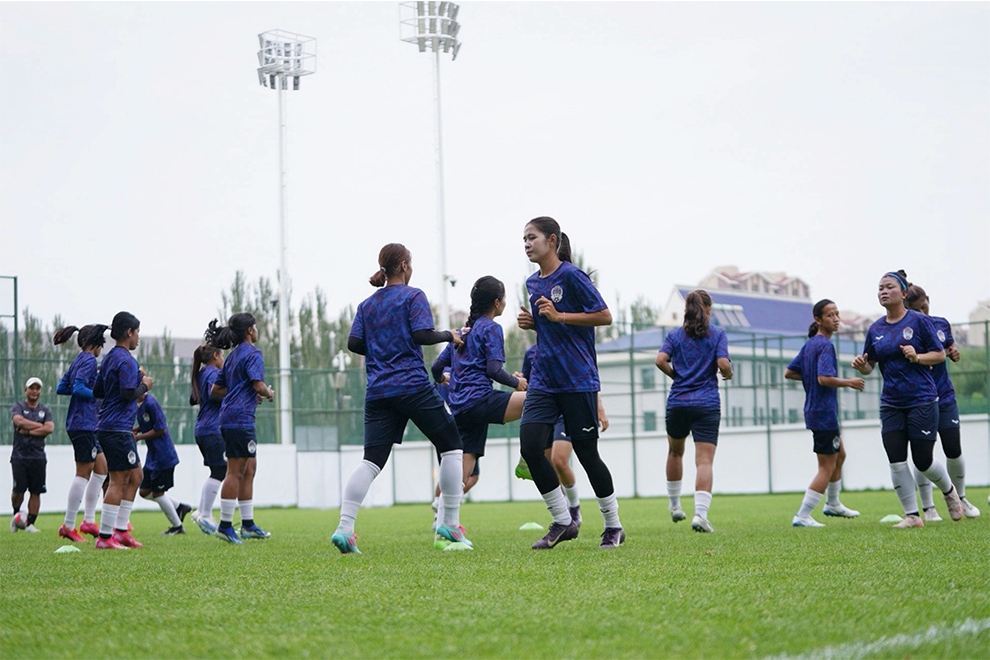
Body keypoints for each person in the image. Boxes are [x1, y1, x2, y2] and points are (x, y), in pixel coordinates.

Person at [332, 243, 469, 554]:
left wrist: (382, 350)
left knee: (371, 461)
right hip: (412, 386)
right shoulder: (413, 296)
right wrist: (450, 335)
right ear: (405, 265)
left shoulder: (367, 305)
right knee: (452, 445)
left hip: (378, 391)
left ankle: (345, 527)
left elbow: (354, 343)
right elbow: (422, 335)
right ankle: (450, 523)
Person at [516, 217, 624, 549]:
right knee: (530, 447)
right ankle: (563, 520)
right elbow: (552, 326)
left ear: (552, 240)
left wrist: (559, 316)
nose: (526, 244)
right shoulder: (532, 283)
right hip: (544, 381)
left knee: (588, 454)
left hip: (577, 380)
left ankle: (613, 525)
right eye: (523, 239)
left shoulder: (573, 276)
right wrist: (534, 323)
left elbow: (604, 316)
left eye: (531, 237)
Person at [851, 270, 963, 528]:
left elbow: (939, 355)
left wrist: (916, 357)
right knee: (896, 458)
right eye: (880, 288)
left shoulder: (919, 322)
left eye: (889, 287)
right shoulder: (875, 328)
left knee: (922, 460)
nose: (883, 291)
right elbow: (870, 366)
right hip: (891, 402)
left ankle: (949, 491)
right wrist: (862, 367)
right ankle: (912, 516)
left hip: (922, 398)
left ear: (903, 293)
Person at [430, 275, 528, 527]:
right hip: (479, 401)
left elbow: (435, 367)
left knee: (464, 468)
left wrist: (443, 378)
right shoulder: (491, 329)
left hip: (460, 407)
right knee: (536, 400)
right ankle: (529, 456)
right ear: (497, 302)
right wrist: (517, 383)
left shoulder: (464, 332)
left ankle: (445, 525)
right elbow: (494, 370)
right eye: (504, 298)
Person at [655, 290, 733, 533]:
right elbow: (722, 364)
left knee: (675, 452)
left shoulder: (675, 336)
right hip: (706, 403)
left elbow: (660, 360)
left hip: (678, 401)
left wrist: (676, 375)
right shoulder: (717, 334)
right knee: (704, 460)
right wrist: (728, 372)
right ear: (708, 309)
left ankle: (675, 506)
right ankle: (700, 514)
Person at [784, 299, 865, 527]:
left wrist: (810, 377)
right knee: (826, 466)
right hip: (823, 413)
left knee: (840, 456)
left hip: (816, 412)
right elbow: (823, 379)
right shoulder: (825, 346)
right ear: (818, 320)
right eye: (830, 315)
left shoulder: (810, 344)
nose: (836, 318)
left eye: (837, 314)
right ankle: (802, 515)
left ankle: (833, 504)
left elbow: (789, 372)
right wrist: (849, 381)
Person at [514, 340, 610, 528]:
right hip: (545, 412)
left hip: (566, 412)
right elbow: (528, 385)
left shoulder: (572, 343)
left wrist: (599, 407)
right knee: (547, 463)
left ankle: (574, 508)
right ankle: (563, 512)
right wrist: (518, 380)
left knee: (559, 459)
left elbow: (587, 373)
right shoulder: (532, 353)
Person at [904, 284, 981, 520]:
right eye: (918, 310)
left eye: (925, 307)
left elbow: (949, 347)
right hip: (920, 397)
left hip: (945, 395)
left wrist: (954, 351)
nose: (923, 313)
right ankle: (928, 507)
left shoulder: (941, 323)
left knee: (953, 449)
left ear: (928, 300)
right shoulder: (906, 329)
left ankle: (962, 498)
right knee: (923, 453)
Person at [205, 313, 275, 544]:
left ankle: (248, 524)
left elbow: (216, 389)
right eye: (255, 327)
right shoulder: (253, 354)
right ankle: (225, 526)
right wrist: (268, 392)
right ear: (249, 331)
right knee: (235, 471)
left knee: (249, 468)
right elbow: (258, 384)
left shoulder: (233, 356)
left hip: (230, 417)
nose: (256, 330)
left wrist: (241, 394)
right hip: (240, 420)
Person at [92, 311, 153, 549]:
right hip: (115, 428)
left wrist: (131, 384)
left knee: (136, 476)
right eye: (137, 332)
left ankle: (120, 530)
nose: (138, 338)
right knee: (118, 480)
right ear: (129, 332)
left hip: (114, 427)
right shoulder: (126, 359)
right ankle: (105, 538)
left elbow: (99, 391)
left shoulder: (109, 358)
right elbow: (129, 393)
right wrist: (143, 385)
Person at [53, 324, 110, 542]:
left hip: (85, 423)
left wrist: (84, 391)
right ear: (96, 345)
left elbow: (62, 387)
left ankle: (88, 520)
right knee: (83, 473)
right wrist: (97, 394)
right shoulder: (88, 360)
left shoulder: (77, 360)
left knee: (102, 468)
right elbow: (77, 387)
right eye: (100, 347)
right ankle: (68, 525)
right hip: (83, 423)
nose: (100, 351)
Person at [135, 391, 193, 534]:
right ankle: (179, 507)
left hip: (163, 456)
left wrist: (139, 437)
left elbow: (160, 429)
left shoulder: (151, 403)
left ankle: (177, 527)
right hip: (152, 456)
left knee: (158, 493)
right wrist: (136, 430)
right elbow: (147, 423)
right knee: (143, 491)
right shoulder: (138, 403)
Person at [188, 344, 228, 534]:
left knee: (217, 470)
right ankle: (204, 513)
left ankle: (202, 511)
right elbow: (214, 392)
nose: (224, 359)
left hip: (203, 429)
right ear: (215, 355)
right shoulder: (212, 372)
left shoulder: (202, 373)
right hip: (212, 429)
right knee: (220, 471)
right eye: (222, 355)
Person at [9, 377, 54, 533]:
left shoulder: (45, 410)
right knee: (18, 490)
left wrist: (28, 430)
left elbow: (49, 428)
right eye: (31, 388)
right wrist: (39, 427)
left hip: (38, 456)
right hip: (19, 456)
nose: (34, 391)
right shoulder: (18, 406)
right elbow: (18, 420)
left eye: (37, 388)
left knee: (36, 491)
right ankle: (16, 516)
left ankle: (30, 524)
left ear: (40, 391)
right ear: (26, 390)